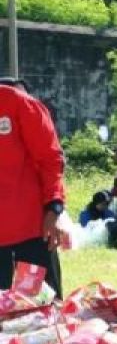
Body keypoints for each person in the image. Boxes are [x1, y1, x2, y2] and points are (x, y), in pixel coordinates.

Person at [0, 84, 66, 296]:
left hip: (31, 233)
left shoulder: (17, 103)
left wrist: (54, 208)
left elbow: (50, 160)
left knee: (42, 316)